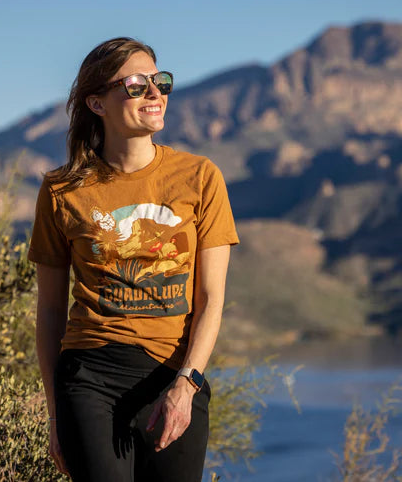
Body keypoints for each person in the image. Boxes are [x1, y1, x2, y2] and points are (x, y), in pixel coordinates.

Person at [28, 36, 240, 482]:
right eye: (136, 85)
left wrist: (187, 384)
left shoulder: (200, 178)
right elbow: (49, 311)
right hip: (89, 377)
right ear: (97, 103)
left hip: (172, 374)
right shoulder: (62, 190)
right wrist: (55, 415)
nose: (156, 94)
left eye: (160, 83)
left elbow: (211, 298)